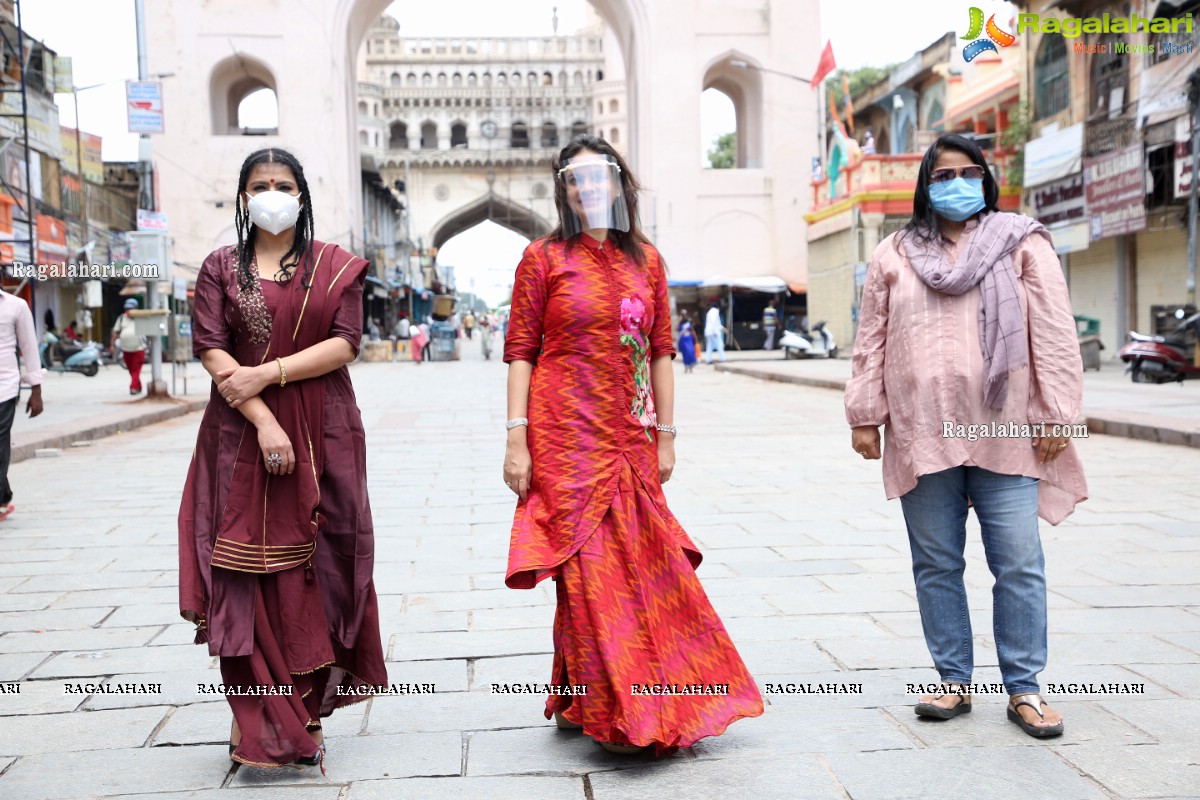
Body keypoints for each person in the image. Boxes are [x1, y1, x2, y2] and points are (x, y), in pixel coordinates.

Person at [502, 134, 762, 756]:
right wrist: (517, 438)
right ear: (564, 190)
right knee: (587, 566)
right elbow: (520, 353)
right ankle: (613, 704)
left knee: (642, 562)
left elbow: (663, 350)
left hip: (630, 435)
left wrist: (667, 436)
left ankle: (588, 694)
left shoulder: (647, 260)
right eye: (576, 179)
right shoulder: (542, 258)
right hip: (563, 434)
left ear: (620, 184)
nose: (589, 188)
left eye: (601, 177)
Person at [844, 133, 1087, 739]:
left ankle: (1025, 689)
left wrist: (1058, 412)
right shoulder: (893, 255)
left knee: (1020, 562)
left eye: (966, 171)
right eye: (942, 173)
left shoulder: (1021, 243)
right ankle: (952, 681)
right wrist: (863, 413)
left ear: (986, 176)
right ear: (925, 184)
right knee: (935, 563)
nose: (955, 182)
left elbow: (1054, 332)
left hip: (1004, 428)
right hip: (922, 430)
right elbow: (870, 338)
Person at [177, 147, 387, 771]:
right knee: (243, 567)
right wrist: (265, 419)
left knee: (322, 561)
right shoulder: (219, 267)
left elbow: (346, 343)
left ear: (303, 194)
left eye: (284, 184)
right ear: (243, 197)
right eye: (261, 185)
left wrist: (267, 373)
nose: (273, 193)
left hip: (325, 427)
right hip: (240, 431)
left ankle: (306, 710)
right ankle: (258, 719)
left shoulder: (335, 267)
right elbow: (212, 349)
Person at [0, 289, 44, 522]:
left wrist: (36, 389)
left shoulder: (17, 306)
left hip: (4, 386)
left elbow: (29, 346)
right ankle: (3, 495)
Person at [110, 298, 147, 395]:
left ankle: (133, 388)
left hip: (138, 348)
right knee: (131, 370)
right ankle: (138, 386)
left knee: (136, 370)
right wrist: (112, 345)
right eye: (127, 309)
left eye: (130, 308)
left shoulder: (141, 318)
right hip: (126, 349)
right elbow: (115, 331)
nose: (128, 311)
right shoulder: (122, 318)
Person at [677, 309, 697, 374]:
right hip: (683, 339)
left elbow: (692, 330)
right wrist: (679, 321)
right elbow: (677, 329)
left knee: (691, 351)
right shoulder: (680, 322)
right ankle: (686, 366)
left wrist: (696, 339)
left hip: (689, 339)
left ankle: (691, 366)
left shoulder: (689, 321)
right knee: (685, 353)